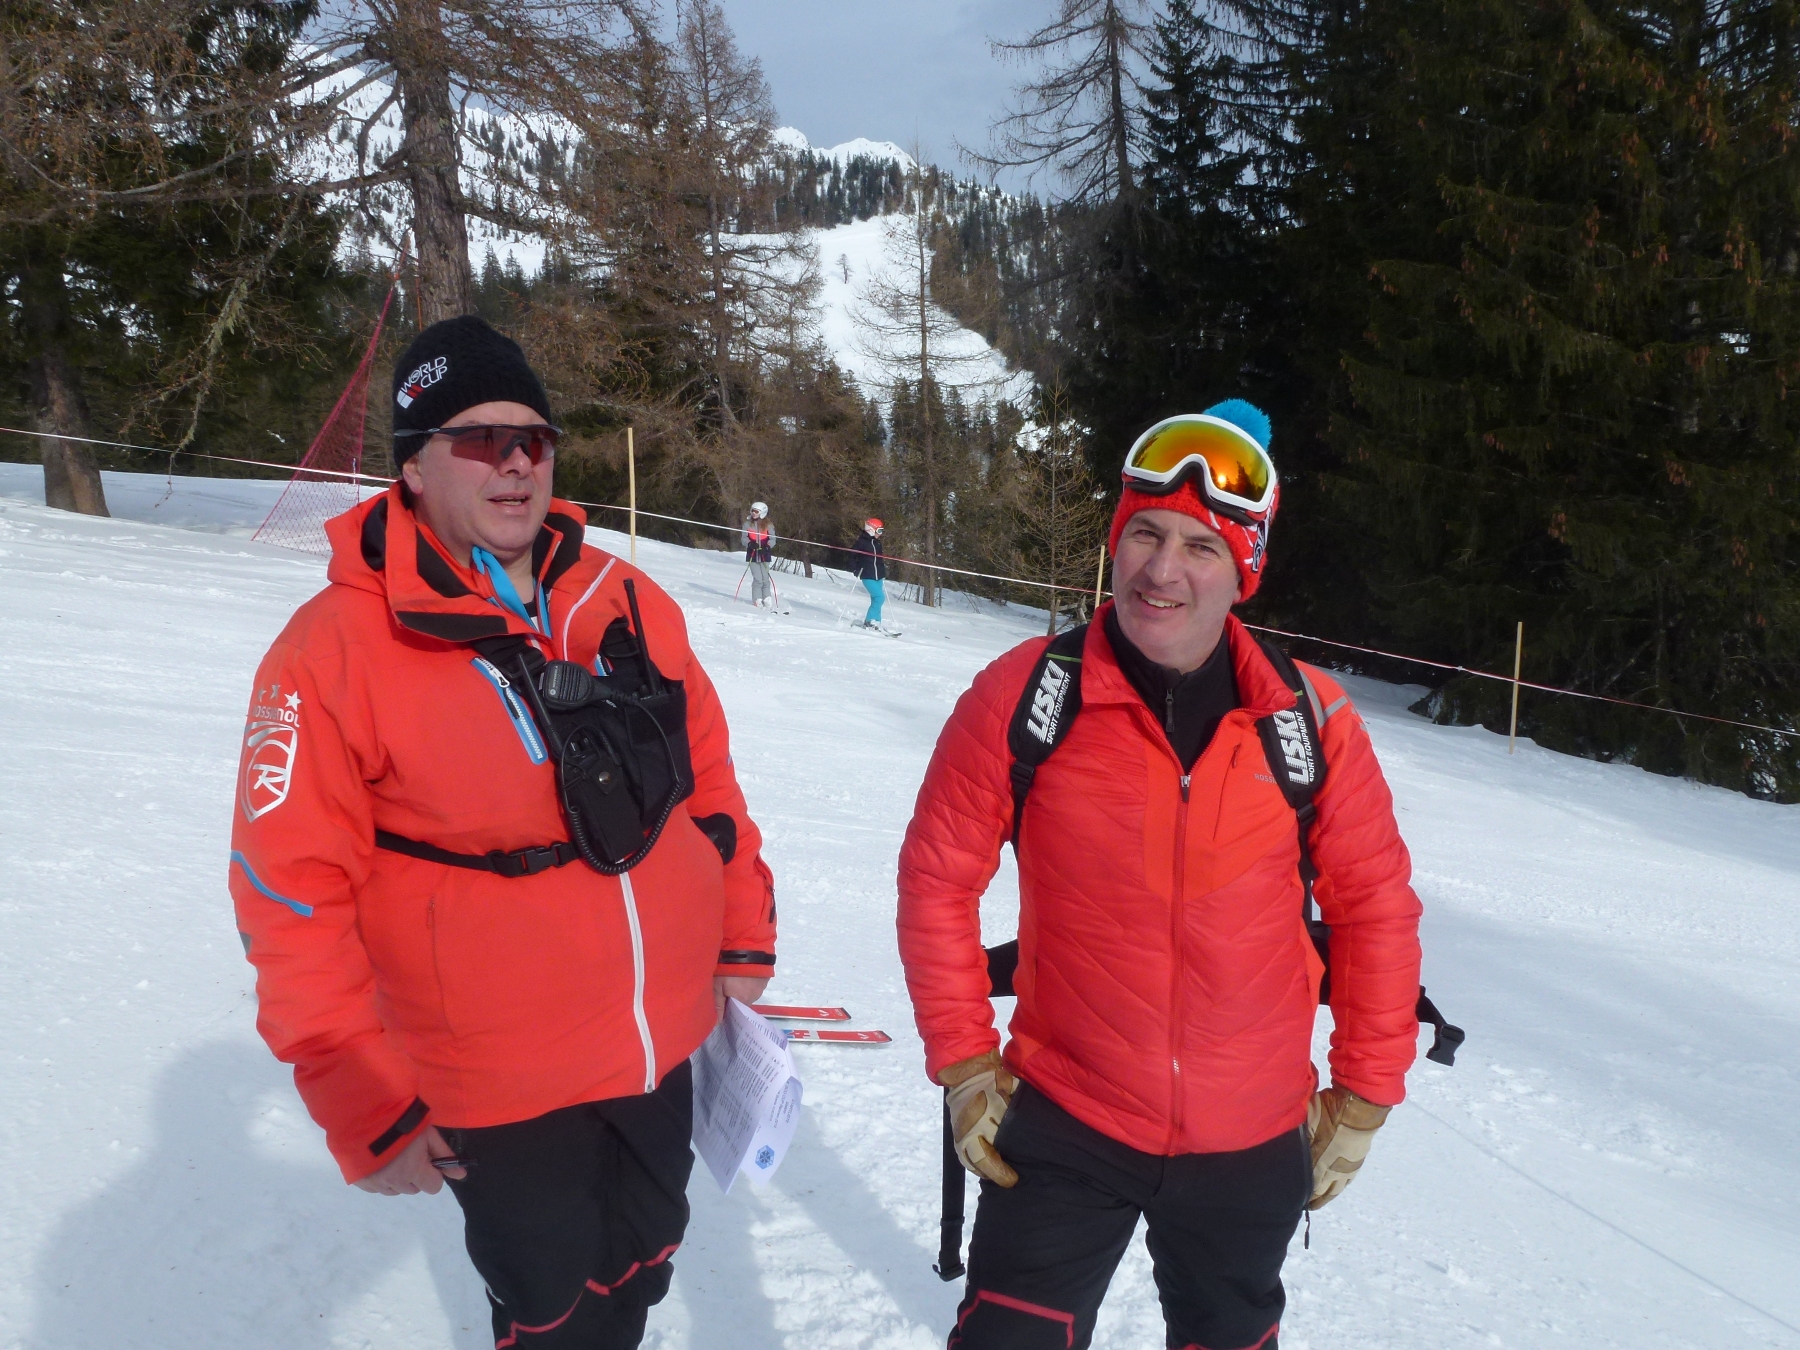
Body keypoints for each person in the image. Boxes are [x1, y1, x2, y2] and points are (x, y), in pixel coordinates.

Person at [228, 315, 777, 1350]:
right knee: (551, 1306)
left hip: (662, 1036)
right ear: (413, 466)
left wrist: (742, 933)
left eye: (534, 438)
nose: (516, 462)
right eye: (480, 439)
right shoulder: (331, 650)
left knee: (645, 1258)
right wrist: (357, 1095)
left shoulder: (626, 599)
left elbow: (711, 785)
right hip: (498, 1075)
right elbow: (287, 891)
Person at [896, 401, 1423, 1350]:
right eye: (1145, 533)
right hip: (1067, 1118)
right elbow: (937, 879)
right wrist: (965, 1061)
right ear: (1116, 541)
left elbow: (1374, 906)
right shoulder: (1027, 695)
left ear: (1244, 571)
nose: (1162, 570)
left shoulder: (1311, 722)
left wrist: (1367, 1091)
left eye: (1200, 547)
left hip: (1249, 1136)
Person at [850, 517, 886, 628]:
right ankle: (869, 620)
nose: (880, 534)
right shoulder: (862, 542)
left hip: (878, 576)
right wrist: (855, 569)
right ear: (871, 529)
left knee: (876, 599)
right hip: (867, 575)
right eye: (879, 531)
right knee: (880, 597)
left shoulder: (878, 543)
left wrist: (883, 571)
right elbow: (851, 555)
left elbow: (879, 560)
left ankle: (876, 621)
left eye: (881, 531)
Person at [743, 501, 775, 607]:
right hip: (752, 555)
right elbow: (743, 538)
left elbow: (773, 539)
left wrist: (767, 547)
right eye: (752, 511)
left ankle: (767, 598)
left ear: (762, 512)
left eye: (756, 511)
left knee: (765, 578)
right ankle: (757, 599)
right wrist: (750, 544)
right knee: (758, 579)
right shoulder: (747, 524)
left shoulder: (769, 525)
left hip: (764, 555)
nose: (753, 513)